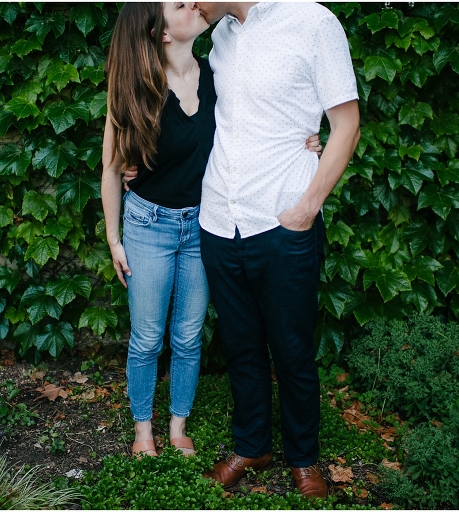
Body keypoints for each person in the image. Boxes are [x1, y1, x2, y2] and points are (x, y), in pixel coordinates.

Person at [101, 3, 323, 459]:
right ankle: (144, 431)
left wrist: (306, 136)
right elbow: (109, 169)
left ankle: (178, 425)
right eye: (180, 6)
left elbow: (257, 120)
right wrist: (113, 237)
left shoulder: (217, 73)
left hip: (205, 222)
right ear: (161, 33)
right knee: (147, 337)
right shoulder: (135, 89)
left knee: (186, 335)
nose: (194, 5)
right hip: (149, 225)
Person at [192, 2, 360, 499]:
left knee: (292, 350)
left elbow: (346, 124)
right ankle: (252, 446)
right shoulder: (218, 33)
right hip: (221, 218)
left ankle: (304, 458)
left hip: (282, 220)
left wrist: (307, 208)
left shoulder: (312, 21)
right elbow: (156, 37)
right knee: (241, 346)